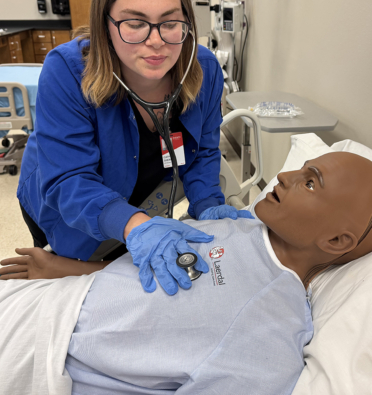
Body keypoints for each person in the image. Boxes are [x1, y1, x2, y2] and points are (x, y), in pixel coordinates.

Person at [1, 152, 372, 394]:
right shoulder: (241, 225)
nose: (284, 174)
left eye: (310, 182)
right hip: (56, 296)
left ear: (337, 241)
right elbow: (152, 269)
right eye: (302, 167)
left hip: (47, 355)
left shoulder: (271, 330)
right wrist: (65, 270)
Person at [15, 0, 251, 296]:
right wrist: (131, 227)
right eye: (135, 23)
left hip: (147, 190)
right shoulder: (67, 70)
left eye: (170, 23)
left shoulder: (204, 69)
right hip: (68, 199)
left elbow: (201, 154)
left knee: (135, 258)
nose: (156, 42)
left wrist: (208, 205)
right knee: (81, 260)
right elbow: (69, 180)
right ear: (105, 23)